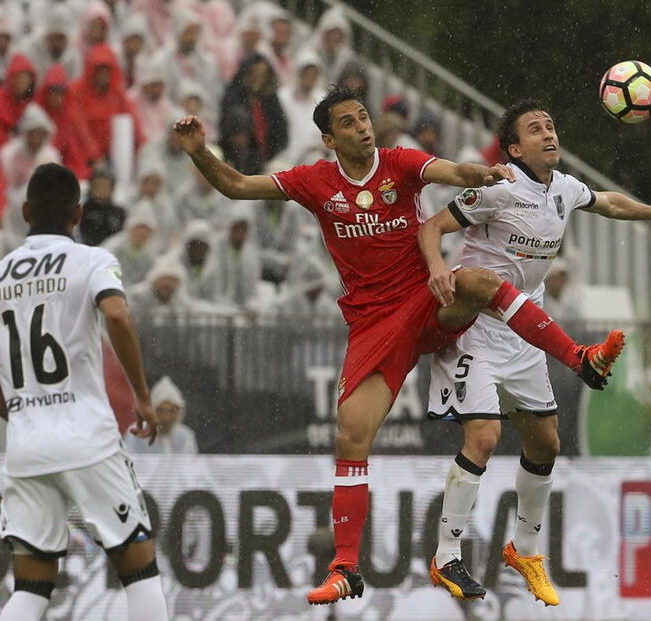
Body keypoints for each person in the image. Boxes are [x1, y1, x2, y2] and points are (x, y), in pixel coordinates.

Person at [173, 85, 626, 606]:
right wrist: (199, 152)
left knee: (479, 282)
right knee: (351, 436)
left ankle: (578, 357)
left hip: (426, 299)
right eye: (348, 122)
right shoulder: (314, 181)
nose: (362, 127)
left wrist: (480, 174)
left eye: (364, 117)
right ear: (329, 139)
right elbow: (236, 186)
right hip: (373, 323)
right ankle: (346, 567)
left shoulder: (400, 161)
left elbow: (451, 172)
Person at [421, 99, 651, 606]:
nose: (549, 133)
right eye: (535, 129)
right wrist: (439, 268)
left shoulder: (564, 189)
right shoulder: (499, 189)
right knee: (484, 437)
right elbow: (431, 226)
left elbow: (610, 203)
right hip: (477, 328)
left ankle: (524, 550)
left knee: (546, 444)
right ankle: (446, 555)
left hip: (525, 333)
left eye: (550, 125)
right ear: (513, 149)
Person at [0, 163, 168, 621]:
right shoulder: (91, 260)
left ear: (25, 212)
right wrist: (142, 395)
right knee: (140, 573)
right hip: (87, 438)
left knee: (31, 588)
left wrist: (20, 412)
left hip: (28, 447)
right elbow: (117, 315)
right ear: (77, 214)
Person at [125, 376, 197, 455]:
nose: (166, 417)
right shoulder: (136, 433)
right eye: (160, 411)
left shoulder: (185, 436)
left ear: (179, 413)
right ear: (151, 410)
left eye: (172, 411)